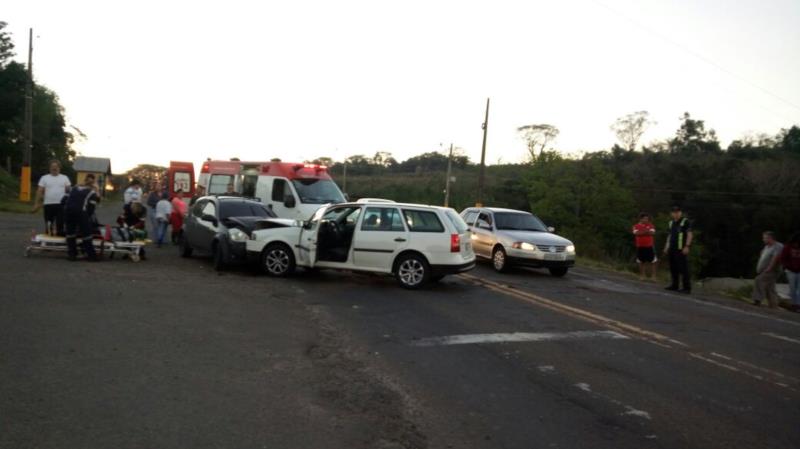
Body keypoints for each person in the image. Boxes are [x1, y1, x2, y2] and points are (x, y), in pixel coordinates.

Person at [64, 173, 101, 261]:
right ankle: (91, 256)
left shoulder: (74, 188)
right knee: (87, 234)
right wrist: (97, 190)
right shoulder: (92, 192)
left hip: (68, 212)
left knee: (70, 234)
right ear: (93, 184)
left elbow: (64, 200)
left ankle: (72, 255)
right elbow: (92, 206)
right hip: (81, 213)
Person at [32, 160, 71, 236]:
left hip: (61, 205)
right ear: (49, 168)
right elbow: (39, 191)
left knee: (60, 225)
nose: (54, 168)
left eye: (56, 166)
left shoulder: (65, 178)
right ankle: (49, 241)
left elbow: (69, 191)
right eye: (52, 166)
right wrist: (36, 204)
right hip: (48, 205)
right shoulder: (44, 178)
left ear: (59, 168)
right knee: (48, 225)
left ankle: (60, 242)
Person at [663, 205, 693, 293]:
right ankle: (674, 285)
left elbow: (690, 234)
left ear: (680, 212)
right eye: (674, 212)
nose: (676, 214)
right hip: (672, 248)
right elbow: (669, 235)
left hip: (681, 249)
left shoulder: (685, 221)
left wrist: (687, 246)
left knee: (683, 268)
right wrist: (666, 247)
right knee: (673, 267)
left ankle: (687, 288)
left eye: (678, 212)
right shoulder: (671, 223)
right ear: (671, 213)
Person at [753, 231, 784, 308]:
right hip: (765, 269)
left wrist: (769, 268)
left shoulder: (778, 246)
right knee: (770, 288)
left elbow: (775, 258)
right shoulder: (767, 247)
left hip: (773, 270)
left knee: (759, 280)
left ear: (770, 238)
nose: (763, 239)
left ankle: (758, 299)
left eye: (765, 238)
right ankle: (773, 304)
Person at [633, 213, 657, 281]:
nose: (646, 220)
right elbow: (636, 233)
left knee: (653, 261)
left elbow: (652, 233)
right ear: (641, 219)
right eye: (645, 218)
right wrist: (646, 231)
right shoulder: (636, 226)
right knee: (641, 261)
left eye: (647, 219)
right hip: (640, 246)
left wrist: (642, 232)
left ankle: (653, 277)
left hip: (649, 246)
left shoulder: (650, 225)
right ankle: (642, 276)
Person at [781, 232, 800, 312]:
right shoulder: (787, 247)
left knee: (799, 289)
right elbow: (783, 258)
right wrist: (787, 266)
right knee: (792, 288)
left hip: (799, 271)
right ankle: (793, 304)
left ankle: (798, 305)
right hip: (790, 270)